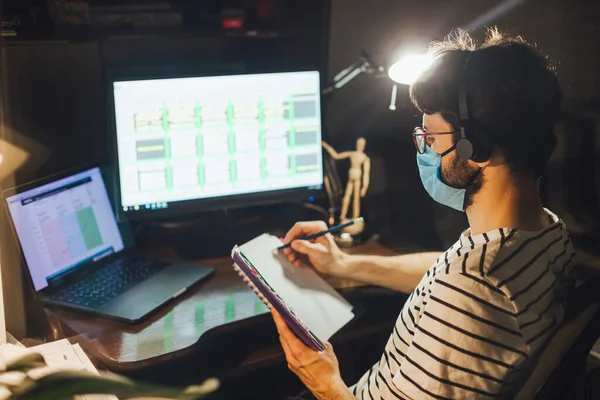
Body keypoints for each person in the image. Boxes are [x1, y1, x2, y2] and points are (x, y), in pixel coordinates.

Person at [271, 27, 577, 399]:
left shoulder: (475, 290)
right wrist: (344, 264)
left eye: (431, 138)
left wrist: (322, 380)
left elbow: (464, 289)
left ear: (473, 147)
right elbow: (447, 269)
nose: (425, 149)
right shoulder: (543, 233)